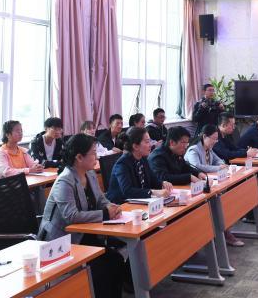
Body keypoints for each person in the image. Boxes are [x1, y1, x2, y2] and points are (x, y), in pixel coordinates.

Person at [38, 134, 125, 298]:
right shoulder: (65, 181)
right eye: (93, 153)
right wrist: (104, 214)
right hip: (62, 240)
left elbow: (100, 199)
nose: (97, 157)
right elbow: (71, 216)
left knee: (116, 260)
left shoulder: (89, 174)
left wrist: (110, 206)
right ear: (79, 157)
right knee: (100, 269)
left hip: (85, 234)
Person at [105, 127, 172, 204]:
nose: (150, 145)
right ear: (135, 146)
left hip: (139, 202)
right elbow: (128, 191)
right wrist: (153, 192)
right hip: (121, 205)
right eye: (147, 142)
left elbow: (153, 181)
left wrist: (162, 183)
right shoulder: (122, 164)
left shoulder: (143, 159)